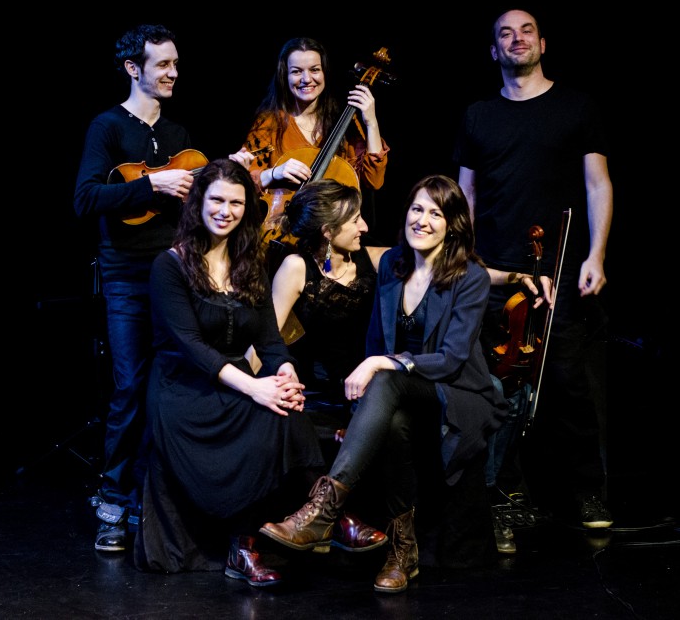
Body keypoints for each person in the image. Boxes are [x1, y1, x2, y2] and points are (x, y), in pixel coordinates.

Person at [132, 159, 382, 586]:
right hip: (183, 389)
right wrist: (257, 387)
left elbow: (269, 340)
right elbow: (191, 349)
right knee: (264, 407)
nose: (226, 211)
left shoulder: (250, 263)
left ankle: (275, 533)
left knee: (285, 404)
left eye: (236, 202)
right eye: (217, 200)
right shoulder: (169, 266)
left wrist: (284, 374)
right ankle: (330, 518)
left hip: (235, 382)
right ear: (199, 203)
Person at [259, 175, 508, 593]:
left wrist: (379, 362)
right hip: (400, 395)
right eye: (416, 208)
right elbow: (376, 340)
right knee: (391, 420)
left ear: (453, 224)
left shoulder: (470, 278)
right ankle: (402, 550)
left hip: (457, 393)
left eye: (436, 212)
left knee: (386, 377)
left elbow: (451, 358)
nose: (423, 220)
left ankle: (323, 511)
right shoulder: (392, 265)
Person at [73, 24, 253, 553]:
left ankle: (158, 502)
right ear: (134, 69)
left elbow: (200, 210)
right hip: (128, 277)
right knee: (130, 386)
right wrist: (149, 184)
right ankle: (112, 501)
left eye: (176, 63)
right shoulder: (106, 128)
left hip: (177, 274)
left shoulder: (177, 135)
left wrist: (229, 176)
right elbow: (84, 200)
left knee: (172, 385)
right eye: (163, 64)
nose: (174, 72)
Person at [453, 8, 615, 546]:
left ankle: (587, 491)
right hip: (497, 273)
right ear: (494, 52)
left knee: (567, 383)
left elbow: (597, 184)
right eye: (505, 34)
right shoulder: (478, 114)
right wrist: (469, 265)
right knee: (500, 385)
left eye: (526, 31)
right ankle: (506, 495)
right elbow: (466, 197)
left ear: (543, 42)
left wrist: (595, 255)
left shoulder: (576, 107)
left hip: (562, 268)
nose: (516, 39)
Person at [239, 37, 390, 252]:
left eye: (314, 70)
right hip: (278, 234)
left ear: (324, 72)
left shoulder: (343, 123)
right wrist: (275, 173)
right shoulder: (269, 123)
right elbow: (244, 180)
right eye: (296, 71)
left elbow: (373, 181)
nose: (306, 79)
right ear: (285, 75)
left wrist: (371, 122)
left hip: (333, 238)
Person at [268, 179, 389, 409]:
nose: (364, 227)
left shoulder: (372, 259)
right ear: (328, 232)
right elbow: (268, 337)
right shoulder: (296, 267)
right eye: (355, 221)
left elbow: (423, 258)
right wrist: (245, 385)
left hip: (369, 390)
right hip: (317, 395)